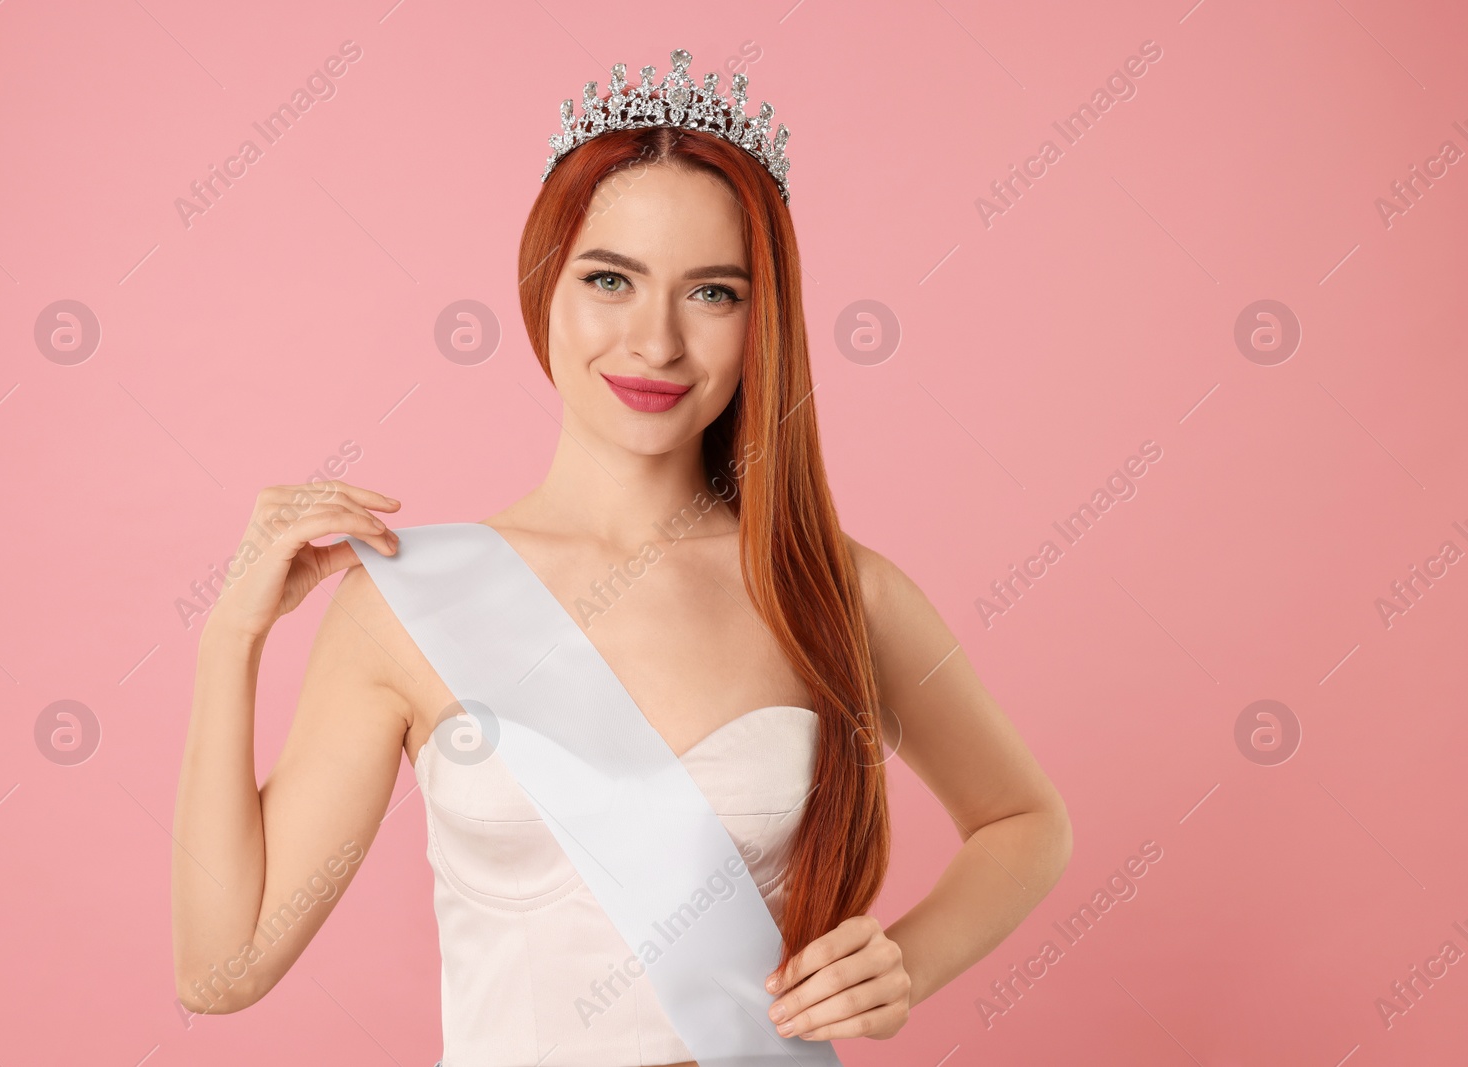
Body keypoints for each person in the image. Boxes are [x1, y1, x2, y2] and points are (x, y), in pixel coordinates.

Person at [171, 48, 1072, 1064]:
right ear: (543, 285)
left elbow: (1025, 819)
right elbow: (221, 970)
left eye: (714, 293)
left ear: (760, 318)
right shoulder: (407, 604)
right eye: (611, 278)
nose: (655, 341)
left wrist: (904, 963)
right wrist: (228, 640)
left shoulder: (835, 590)